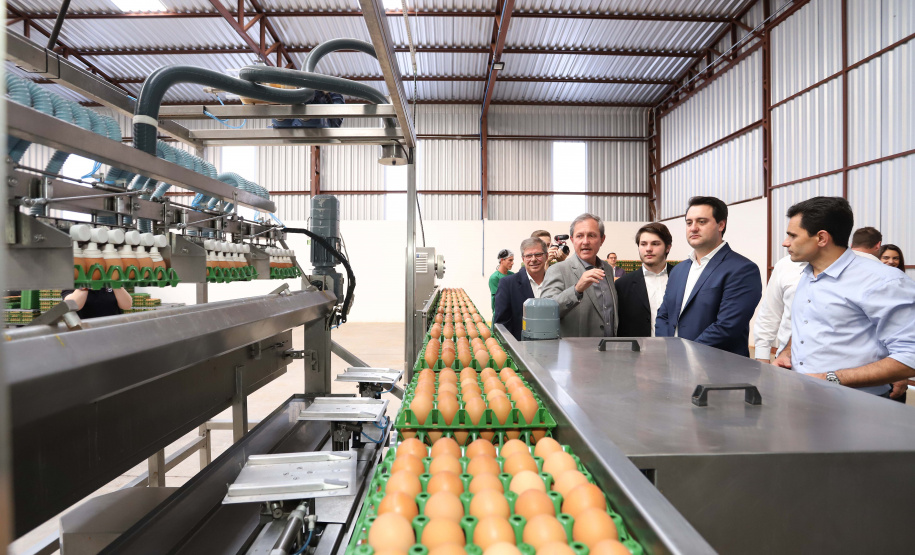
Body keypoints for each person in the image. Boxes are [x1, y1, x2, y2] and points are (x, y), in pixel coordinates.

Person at [774, 197, 915, 401]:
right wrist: (787, 352)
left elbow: (910, 355)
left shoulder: (883, 282)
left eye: (792, 235)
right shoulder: (808, 274)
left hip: (858, 406)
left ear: (822, 238)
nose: (785, 242)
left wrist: (830, 378)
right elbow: (810, 324)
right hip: (805, 398)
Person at [655, 196, 761, 356]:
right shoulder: (679, 270)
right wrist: (668, 349)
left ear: (721, 225)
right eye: (689, 222)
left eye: (702, 222)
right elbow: (664, 315)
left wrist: (684, 353)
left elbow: (727, 326)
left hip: (718, 369)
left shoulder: (742, 269)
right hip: (673, 363)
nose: (693, 228)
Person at [540, 213, 619, 337]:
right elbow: (545, 311)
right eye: (579, 236)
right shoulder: (558, 270)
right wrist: (576, 290)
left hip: (609, 350)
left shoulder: (607, 269)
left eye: (592, 235)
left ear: (602, 239)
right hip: (577, 353)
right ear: (572, 240)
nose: (585, 242)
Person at [615, 223, 674, 337]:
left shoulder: (682, 277)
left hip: (677, 349)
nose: (648, 249)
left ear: (668, 247)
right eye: (643, 244)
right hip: (639, 351)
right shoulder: (622, 285)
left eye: (655, 244)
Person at [753, 255, 807, 363]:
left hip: (837, 370)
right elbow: (769, 314)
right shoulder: (785, 265)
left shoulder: (849, 270)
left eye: (793, 236)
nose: (785, 243)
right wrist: (762, 356)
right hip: (786, 362)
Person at [493, 238, 548, 340]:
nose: (533, 259)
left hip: (553, 347)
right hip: (521, 349)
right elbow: (502, 325)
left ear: (546, 256)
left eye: (538, 255)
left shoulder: (555, 281)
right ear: (523, 259)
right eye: (528, 256)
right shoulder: (508, 284)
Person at [62, 286, 132, 319]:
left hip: (111, 329)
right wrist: (85, 284)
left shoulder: (109, 283)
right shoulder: (73, 284)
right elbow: (73, 305)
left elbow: (127, 305)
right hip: (85, 332)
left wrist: (115, 283)